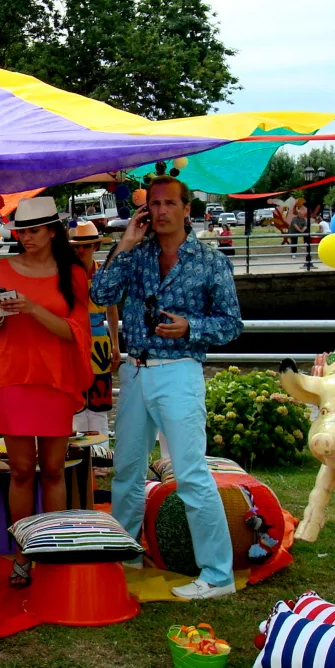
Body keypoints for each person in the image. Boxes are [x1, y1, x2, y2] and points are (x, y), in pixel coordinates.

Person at [90, 175, 243, 600]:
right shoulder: (137, 255)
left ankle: (217, 575)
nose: (159, 211)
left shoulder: (210, 261)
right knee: (127, 471)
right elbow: (100, 292)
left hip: (179, 370)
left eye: (168, 204)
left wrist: (190, 327)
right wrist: (123, 244)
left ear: (185, 210)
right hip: (136, 372)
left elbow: (232, 325)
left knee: (191, 472)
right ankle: (125, 556)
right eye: (153, 204)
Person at [0, 196, 92, 588]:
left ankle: (52, 548)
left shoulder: (72, 273)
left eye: (33, 230)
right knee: (22, 469)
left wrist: (30, 308)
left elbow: (75, 333)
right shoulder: (1, 268)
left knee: (55, 468)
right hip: (12, 375)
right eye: (21, 230)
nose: (25, 237)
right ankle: (23, 555)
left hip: (55, 378)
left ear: (53, 231)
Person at [68, 221, 120, 435]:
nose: (81, 250)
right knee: (76, 398)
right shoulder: (66, 274)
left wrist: (115, 344)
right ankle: (80, 454)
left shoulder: (104, 274)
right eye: (77, 246)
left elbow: (112, 309)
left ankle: (99, 454)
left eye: (86, 245)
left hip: (99, 340)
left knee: (99, 397)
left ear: (95, 247)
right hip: (73, 338)